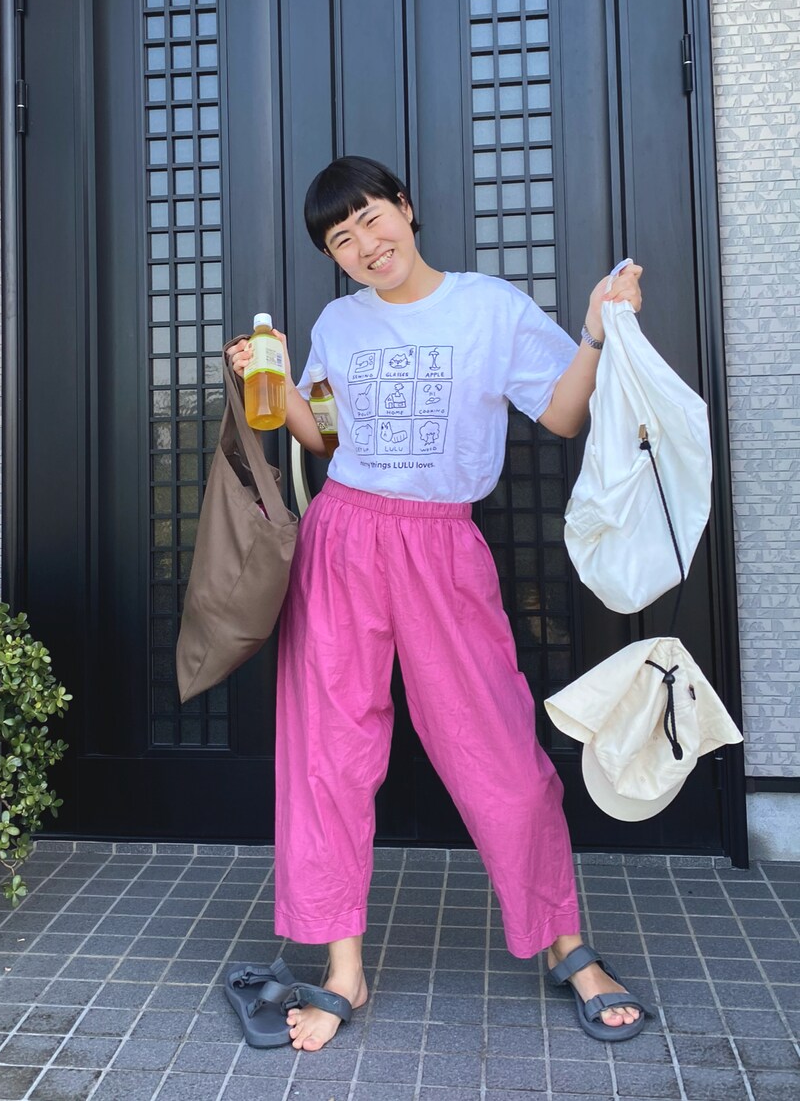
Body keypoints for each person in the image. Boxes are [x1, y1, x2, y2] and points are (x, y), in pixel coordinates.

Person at [228, 155, 649, 1052]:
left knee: (499, 749)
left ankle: (564, 944)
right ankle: (343, 967)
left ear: (406, 209)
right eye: (341, 239)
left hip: (441, 545)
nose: (364, 244)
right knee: (328, 756)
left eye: (371, 219)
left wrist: (594, 333)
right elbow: (324, 433)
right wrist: (270, 384)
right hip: (343, 540)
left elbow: (562, 415)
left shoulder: (489, 308)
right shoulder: (339, 322)